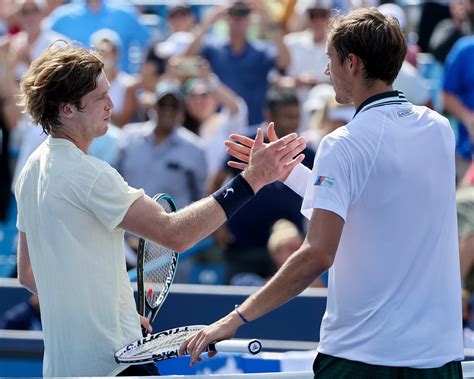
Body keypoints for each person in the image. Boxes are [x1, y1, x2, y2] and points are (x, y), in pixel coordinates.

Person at [180, 8, 464, 378]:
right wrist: (288, 173)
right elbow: (372, 199)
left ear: (351, 63)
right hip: (437, 361)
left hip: (363, 360)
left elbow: (318, 253)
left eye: (330, 60)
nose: (326, 71)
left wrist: (235, 318)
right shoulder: (440, 129)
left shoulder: (342, 145)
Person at [14, 43, 306, 377]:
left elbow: (28, 274)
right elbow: (175, 235)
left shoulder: (31, 170)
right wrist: (252, 179)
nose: (112, 104)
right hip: (114, 366)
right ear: (67, 109)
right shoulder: (90, 175)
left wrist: (116, 312)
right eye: (100, 97)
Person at [183, 0, 291, 126]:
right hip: (220, 128)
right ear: (225, 18)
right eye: (233, 14)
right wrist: (208, 21)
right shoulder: (213, 48)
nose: (238, 19)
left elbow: (285, 62)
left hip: (254, 128)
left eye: (244, 14)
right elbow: (187, 58)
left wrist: (268, 20)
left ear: (250, 19)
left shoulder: (262, 50)